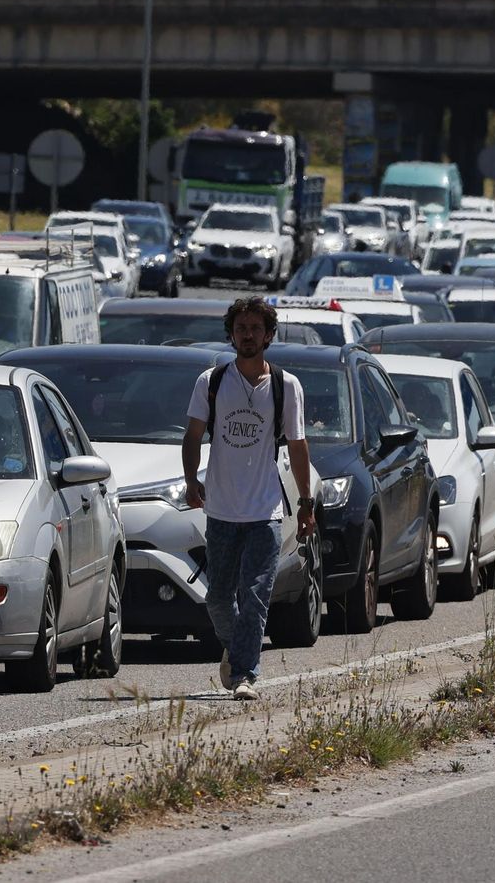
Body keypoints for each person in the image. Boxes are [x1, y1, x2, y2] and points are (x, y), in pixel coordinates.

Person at [183, 297, 315, 701]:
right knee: (218, 599)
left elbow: (297, 445)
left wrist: (307, 502)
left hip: (265, 512)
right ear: (231, 334)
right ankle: (237, 649)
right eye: (241, 328)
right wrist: (192, 482)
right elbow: (192, 436)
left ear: (269, 335)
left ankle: (244, 676)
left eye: (256, 328)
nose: (248, 335)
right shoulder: (212, 381)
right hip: (221, 511)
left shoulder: (285, 385)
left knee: (256, 596)